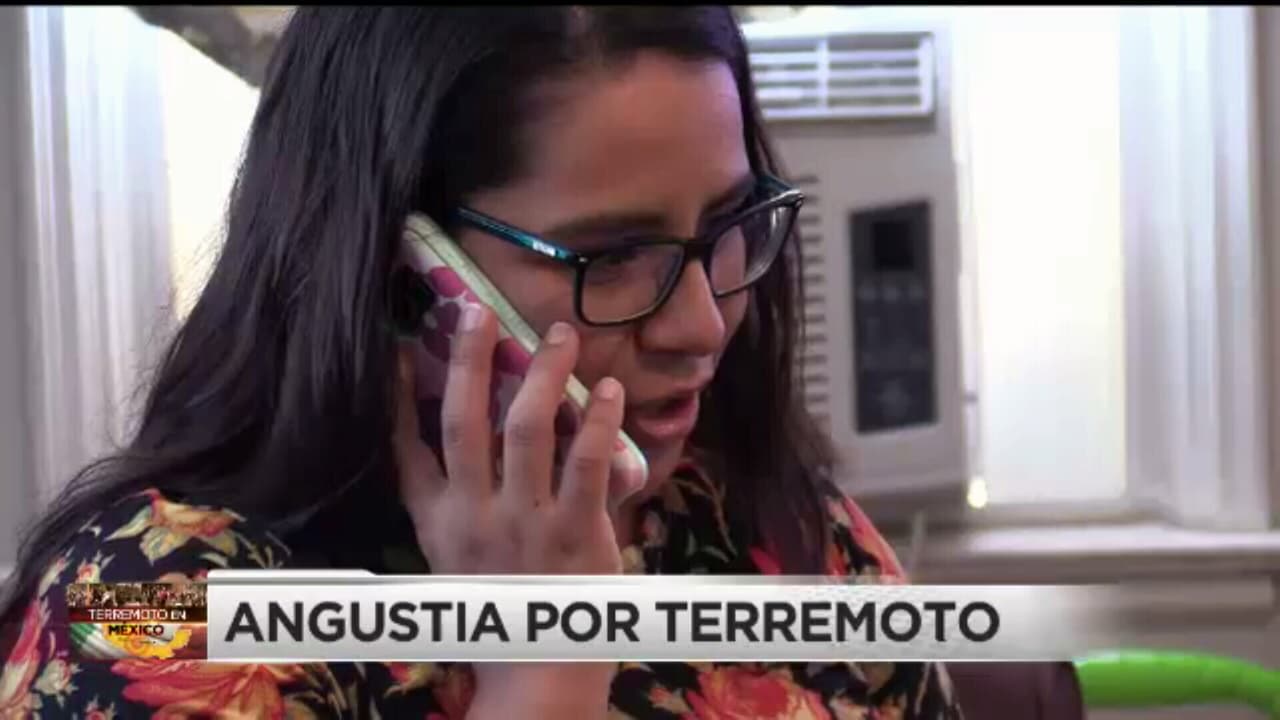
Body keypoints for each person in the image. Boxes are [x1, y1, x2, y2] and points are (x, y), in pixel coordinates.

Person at [0, 7, 964, 718]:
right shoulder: (150, 608)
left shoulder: (762, 516)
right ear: (406, 272)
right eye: (611, 257)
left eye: (731, 224)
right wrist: (541, 673)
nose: (703, 325)